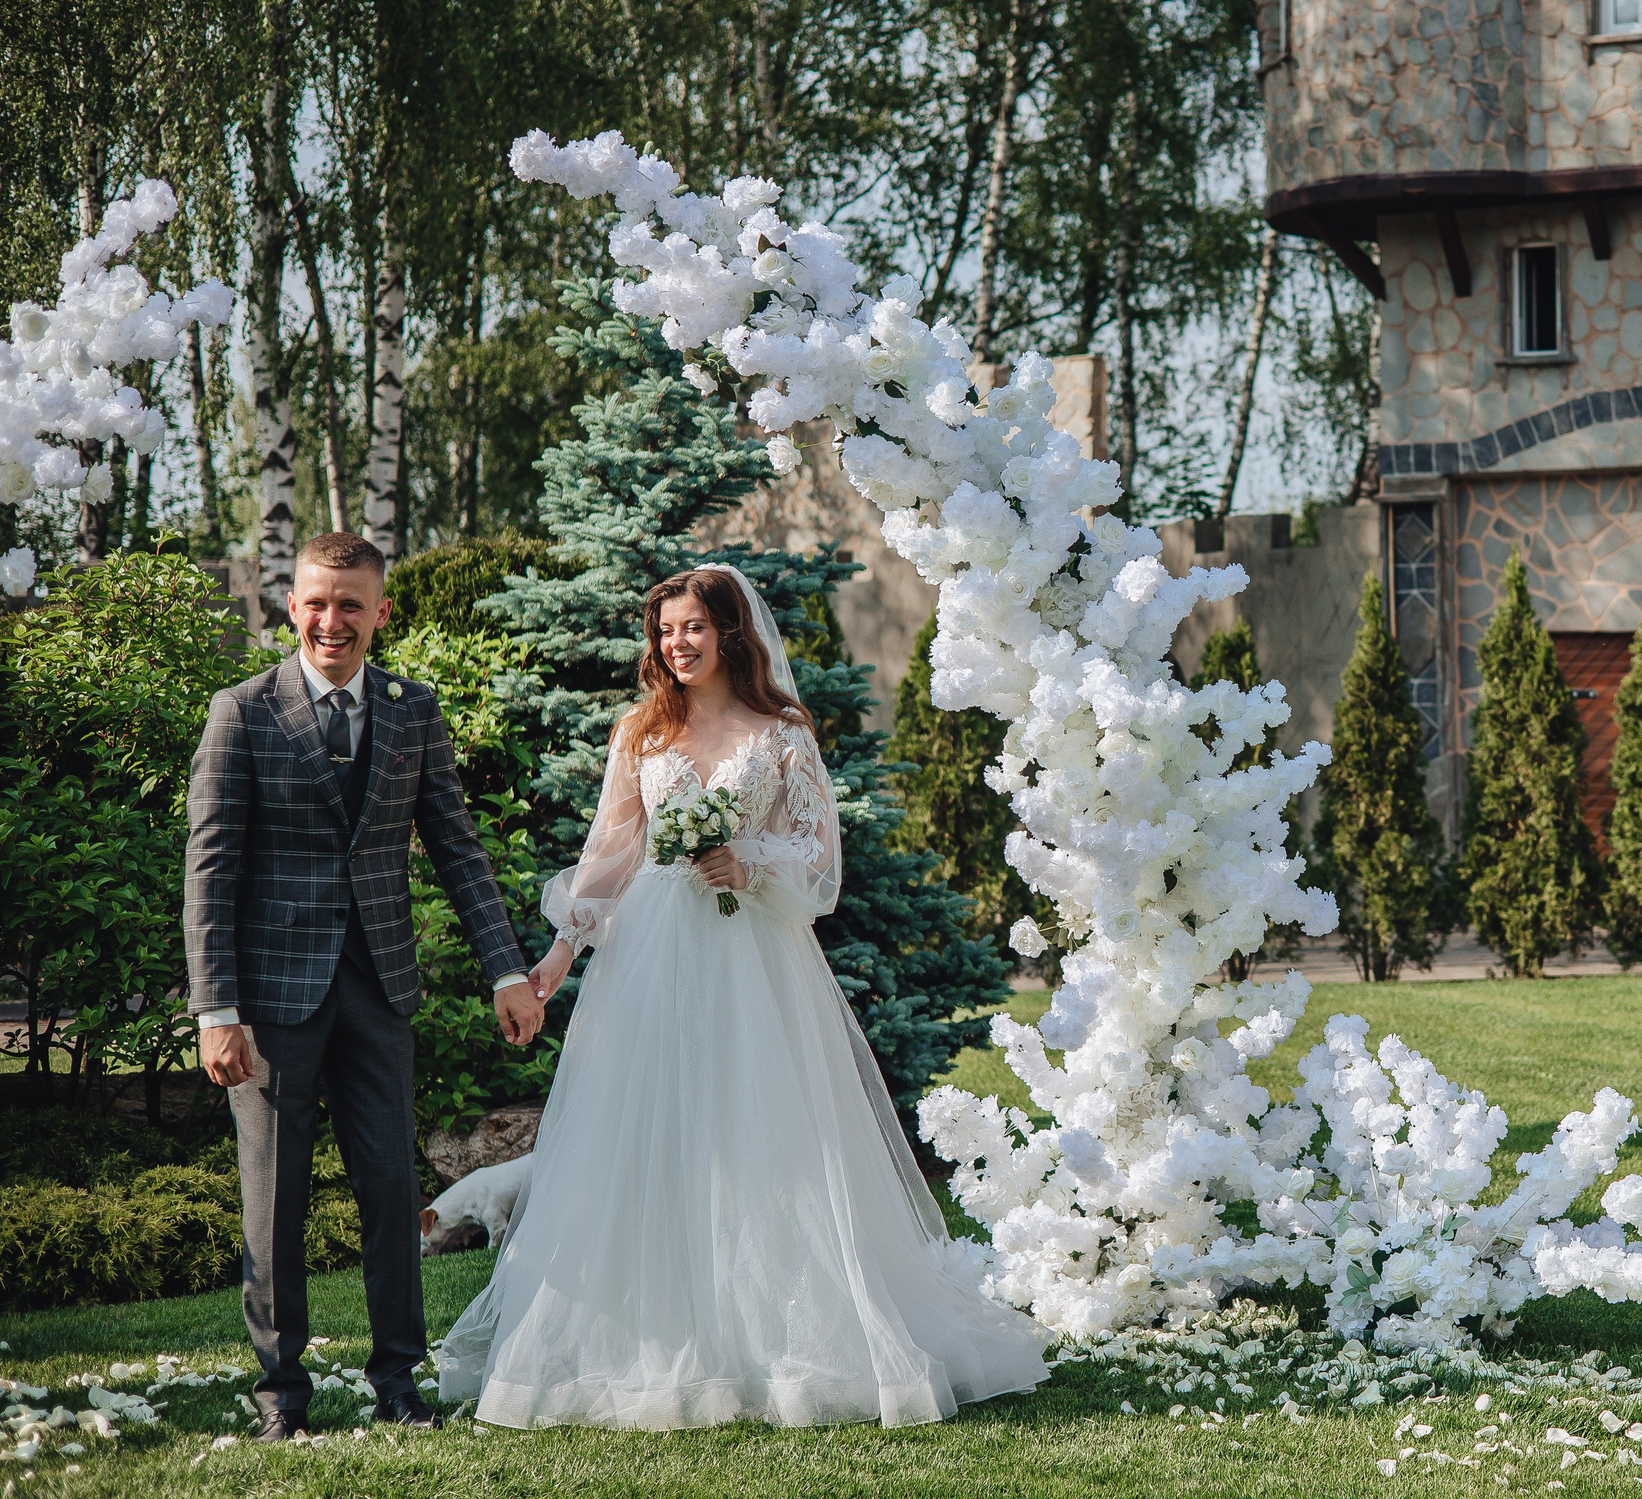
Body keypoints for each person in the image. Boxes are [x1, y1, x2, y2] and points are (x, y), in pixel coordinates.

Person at [433, 565, 1050, 1429]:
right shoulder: (640, 732)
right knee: (653, 1130)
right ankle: (656, 1333)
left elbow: (819, 858)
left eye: (691, 627)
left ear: (729, 631)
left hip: (752, 956)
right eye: (664, 631)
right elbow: (611, 854)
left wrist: (750, 861)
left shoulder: (782, 732)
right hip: (651, 954)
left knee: (760, 1129)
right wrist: (561, 950)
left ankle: (781, 1340)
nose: (676, 644)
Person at [187, 532, 543, 1441]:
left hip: (380, 990)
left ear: (381, 610)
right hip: (270, 1001)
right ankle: (282, 1396)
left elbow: (457, 846)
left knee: (389, 1189)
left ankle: (398, 1384)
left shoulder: (411, 709)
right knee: (275, 1201)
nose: (331, 620)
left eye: (350, 603)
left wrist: (506, 968)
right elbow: (211, 870)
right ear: (290, 604)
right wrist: (217, 1010)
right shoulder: (243, 711)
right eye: (316, 601)